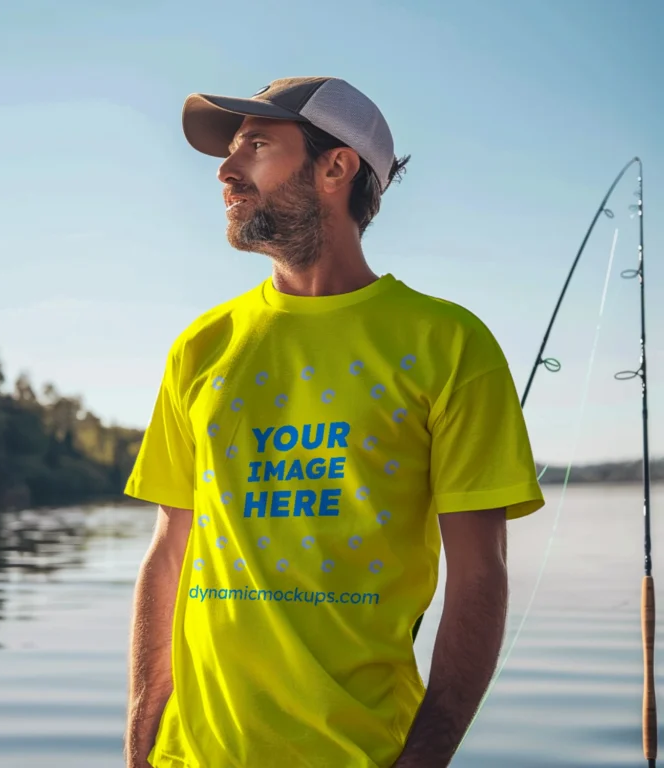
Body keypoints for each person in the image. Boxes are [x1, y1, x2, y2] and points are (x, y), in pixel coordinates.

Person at [123, 76, 545, 768]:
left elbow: (480, 575)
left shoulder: (448, 345)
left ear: (336, 166)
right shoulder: (201, 346)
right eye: (231, 152)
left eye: (255, 145)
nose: (226, 170)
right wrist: (142, 743)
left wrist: (423, 759)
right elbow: (170, 552)